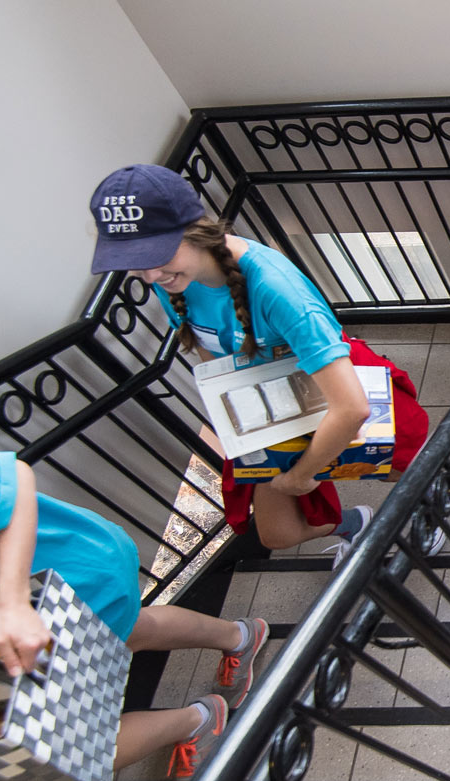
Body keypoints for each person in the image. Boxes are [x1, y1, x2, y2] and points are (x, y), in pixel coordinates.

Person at [0, 442, 270, 781]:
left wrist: (11, 603)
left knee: (63, 747)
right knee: (134, 632)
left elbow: (10, 480)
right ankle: (240, 637)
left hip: (67, 576)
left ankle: (196, 720)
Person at [88, 165, 432, 562]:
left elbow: (353, 407)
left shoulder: (277, 290)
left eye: (156, 255)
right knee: (277, 534)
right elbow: (213, 359)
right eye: (134, 260)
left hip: (334, 392)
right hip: (276, 410)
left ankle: (429, 520)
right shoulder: (175, 281)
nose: (149, 274)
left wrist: (302, 476)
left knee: (407, 471)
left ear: (197, 230)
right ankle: (358, 524)